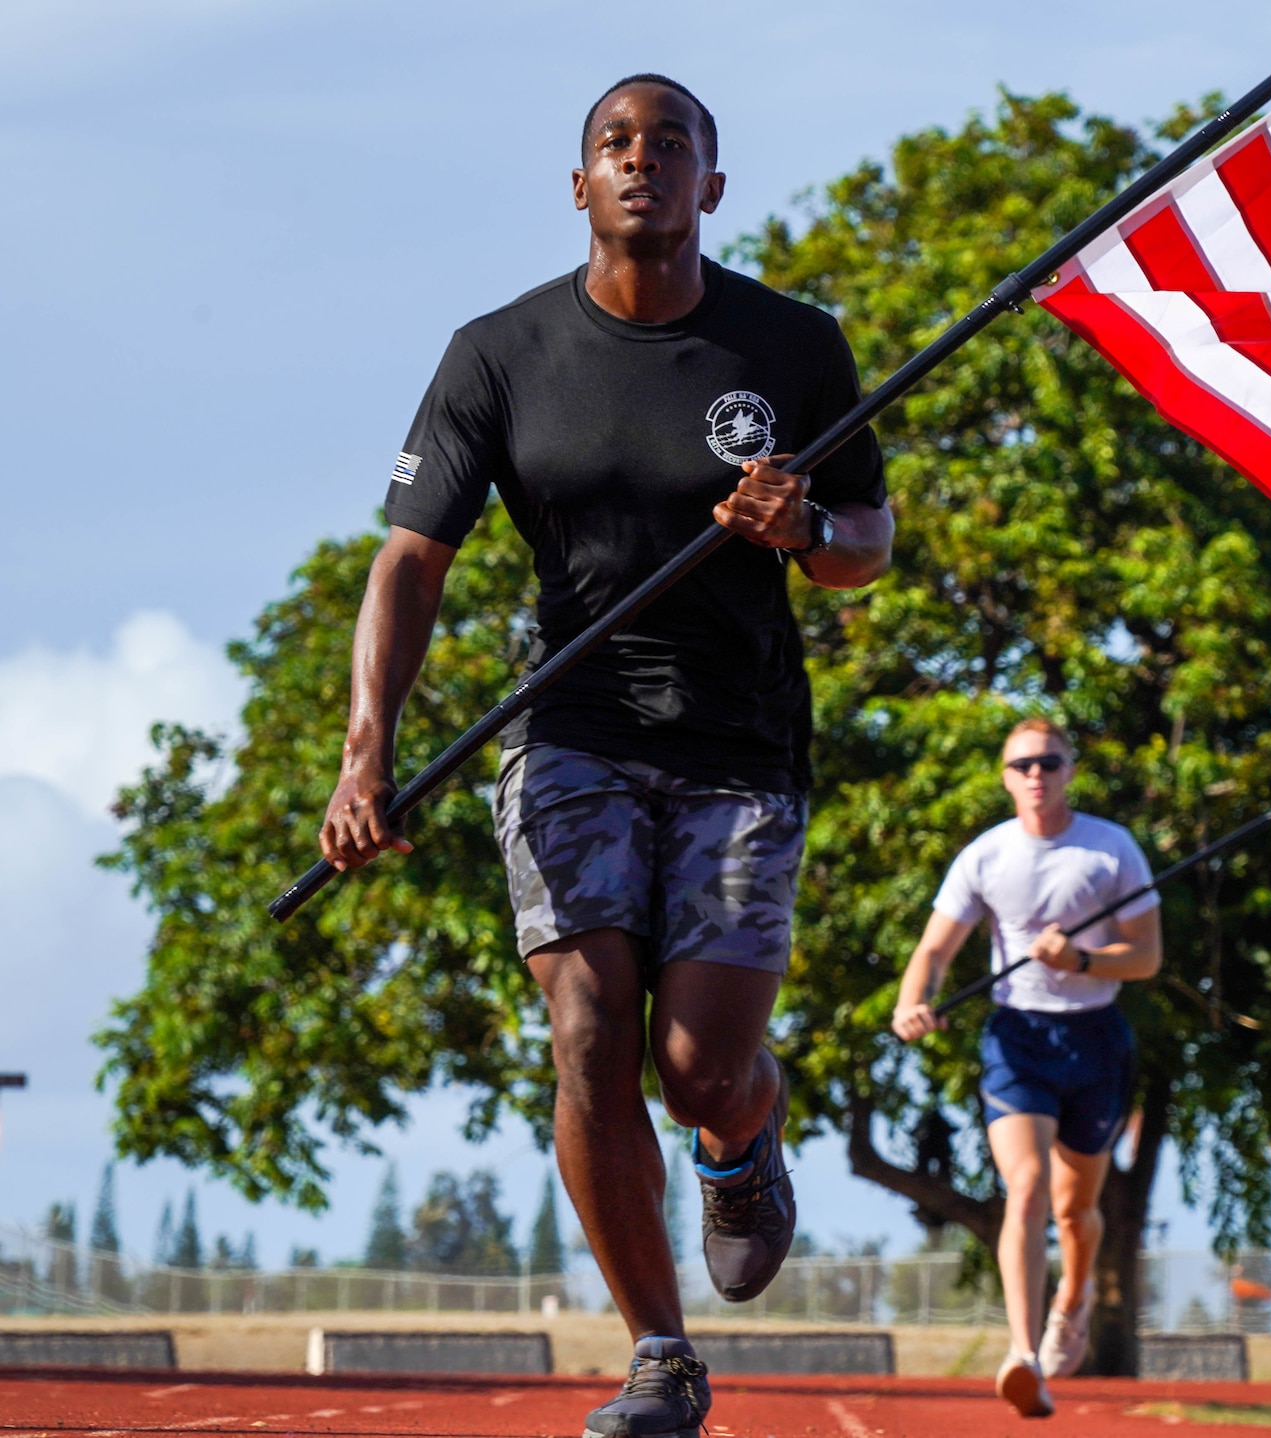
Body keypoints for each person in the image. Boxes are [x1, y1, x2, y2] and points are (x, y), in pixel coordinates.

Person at [316, 73, 893, 1438]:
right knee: (586, 1029)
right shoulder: (498, 354)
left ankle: (740, 1135)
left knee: (694, 1065)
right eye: (616, 148)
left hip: (744, 745)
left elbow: (869, 548)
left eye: (672, 147)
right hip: (568, 729)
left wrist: (804, 527)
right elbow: (410, 563)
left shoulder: (795, 344)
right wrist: (364, 754)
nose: (644, 164)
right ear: (579, 186)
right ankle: (660, 1353)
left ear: (712, 186)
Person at [892, 718, 1163, 1417]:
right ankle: (1023, 1354)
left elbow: (1146, 957)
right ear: (1006, 777)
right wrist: (911, 1003)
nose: (1036, 774)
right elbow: (933, 953)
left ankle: (1069, 1305)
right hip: (1017, 1039)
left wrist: (1080, 960)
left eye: (1049, 761)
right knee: (1028, 1186)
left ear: (1071, 769)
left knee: (1078, 1212)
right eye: (1022, 765)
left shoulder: (1111, 850)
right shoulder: (986, 856)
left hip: (1096, 1039)